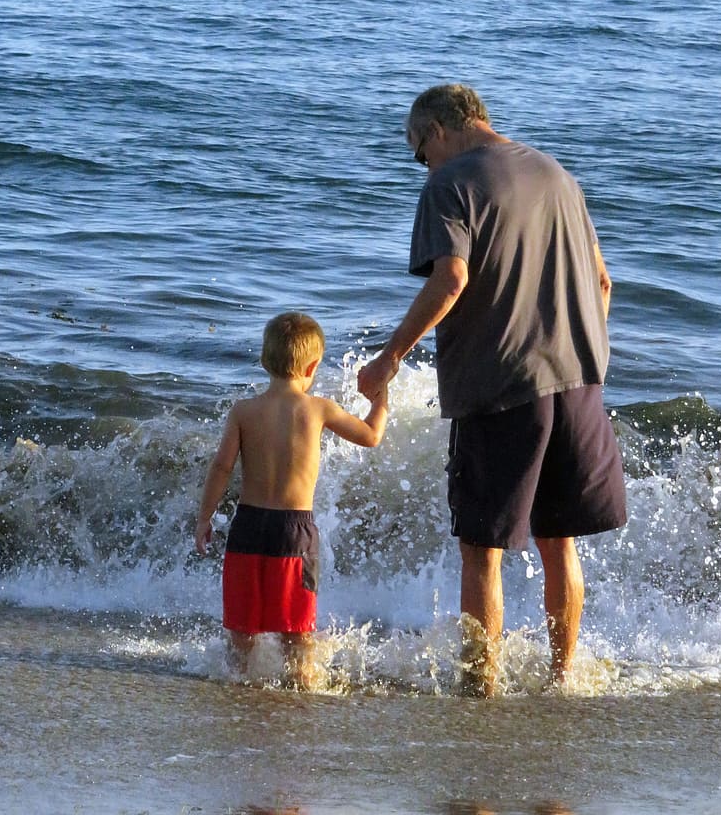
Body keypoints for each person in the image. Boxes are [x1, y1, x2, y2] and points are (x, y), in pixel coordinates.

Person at [358, 84, 626, 693]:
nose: (421, 164)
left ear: (439, 130)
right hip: (578, 382)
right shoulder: (557, 176)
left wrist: (389, 358)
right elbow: (604, 285)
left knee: (484, 550)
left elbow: (451, 279)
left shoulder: (450, 182)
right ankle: (563, 681)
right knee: (558, 545)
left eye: (418, 150)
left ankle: (482, 692)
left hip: (502, 386)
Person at [196, 311, 388, 690]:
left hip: (247, 528)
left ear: (265, 361)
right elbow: (370, 436)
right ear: (313, 365)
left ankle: (237, 692)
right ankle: (301, 691)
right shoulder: (317, 408)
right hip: (294, 533)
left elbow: (221, 468)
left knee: (242, 632)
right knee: (297, 634)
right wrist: (381, 398)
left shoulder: (243, 411)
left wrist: (204, 518)